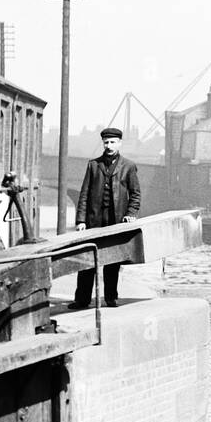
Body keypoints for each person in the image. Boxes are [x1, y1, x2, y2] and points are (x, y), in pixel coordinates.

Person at [71, 128, 141, 308]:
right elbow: (84, 194)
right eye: (106, 143)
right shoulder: (93, 165)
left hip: (116, 220)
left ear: (119, 143)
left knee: (113, 261)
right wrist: (81, 220)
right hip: (94, 220)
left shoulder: (129, 166)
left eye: (112, 142)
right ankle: (82, 300)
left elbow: (135, 195)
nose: (109, 146)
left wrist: (130, 214)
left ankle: (111, 297)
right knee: (86, 260)